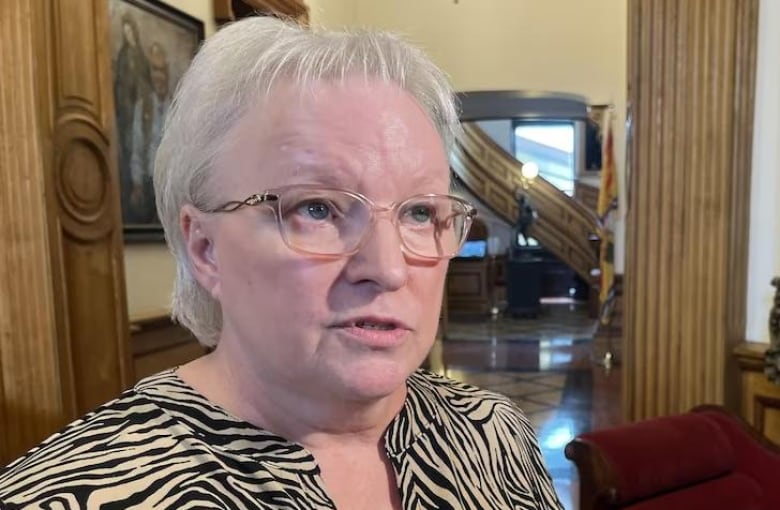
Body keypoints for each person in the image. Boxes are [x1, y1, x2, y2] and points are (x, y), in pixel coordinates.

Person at [0, 17, 563, 509]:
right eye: (316, 208)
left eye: (419, 212)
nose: (388, 268)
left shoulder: (495, 433)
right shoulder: (74, 494)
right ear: (205, 248)